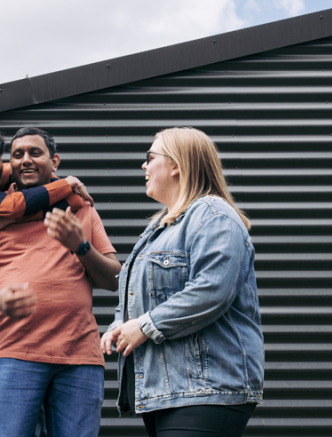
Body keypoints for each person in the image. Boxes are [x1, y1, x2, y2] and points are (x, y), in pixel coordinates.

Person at [0, 127, 121, 437]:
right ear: (8, 164)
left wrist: (81, 245)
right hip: (13, 352)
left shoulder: (80, 208)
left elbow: (114, 279)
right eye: (18, 155)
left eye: (35, 153)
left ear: (54, 161)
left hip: (79, 355)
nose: (26, 160)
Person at [100, 127, 264, 437]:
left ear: (176, 165)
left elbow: (212, 291)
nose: (144, 166)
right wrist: (120, 325)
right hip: (166, 390)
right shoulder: (158, 229)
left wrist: (144, 325)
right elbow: (136, 293)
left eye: (150, 157)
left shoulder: (215, 216)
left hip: (208, 388)